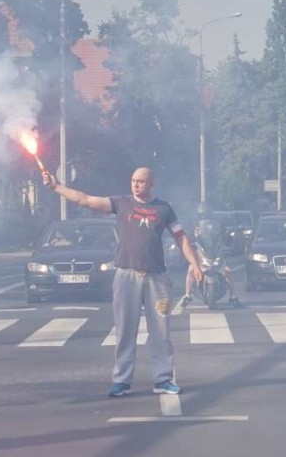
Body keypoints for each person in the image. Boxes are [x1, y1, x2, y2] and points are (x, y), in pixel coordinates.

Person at [43, 167, 203, 396]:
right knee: (125, 330)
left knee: (161, 331)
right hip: (126, 275)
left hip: (156, 277)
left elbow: (181, 237)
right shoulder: (121, 203)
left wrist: (194, 264)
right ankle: (122, 380)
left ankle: (163, 379)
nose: (136, 184)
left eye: (141, 181)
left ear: (151, 184)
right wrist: (57, 187)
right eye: (133, 180)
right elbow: (86, 200)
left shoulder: (164, 209)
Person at [181, 221, 242, 308]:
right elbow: (187, 242)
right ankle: (187, 295)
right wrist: (193, 237)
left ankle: (233, 297)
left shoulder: (218, 232)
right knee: (191, 270)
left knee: (228, 270)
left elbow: (227, 241)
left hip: (216, 258)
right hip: (201, 259)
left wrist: (228, 243)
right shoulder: (196, 229)